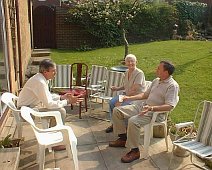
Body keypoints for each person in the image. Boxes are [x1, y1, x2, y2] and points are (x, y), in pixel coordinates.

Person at [109, 61, 179, 163]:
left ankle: (135, 151)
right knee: (117, 111)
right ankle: (123, 138)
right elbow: (144, 95)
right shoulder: (156, 81)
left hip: (154, 113)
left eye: (159, 68)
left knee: (133, 121)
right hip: (142, 107)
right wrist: (128, 97)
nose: (156, 69)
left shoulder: (172, 86)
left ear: (166, 72)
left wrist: (151, 108)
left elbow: (169, 106)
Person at [18, 59, 83, 151]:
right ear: (45, 71)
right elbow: (49, 105)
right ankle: (54, 142)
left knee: (59, 111)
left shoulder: (41, 79)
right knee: (60, 112)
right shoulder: (39, 82)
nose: (55, 73)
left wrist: (61, 97)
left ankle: (53, 138)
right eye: (53, 71)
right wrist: (68, 102)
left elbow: (47, 96)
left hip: (30, 108)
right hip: (26, 112)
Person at [105, 54, 146, 133]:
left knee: (121, 106)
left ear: (136, 62)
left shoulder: (139, 73)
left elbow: (133, 90)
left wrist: (121, 100)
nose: (130, 63)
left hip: (136, 98)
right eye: (128, 61)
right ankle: (114, 124)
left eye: (132, 61)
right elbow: (126, 85)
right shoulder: (127, 72)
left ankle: (126, 129)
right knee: (112, 102)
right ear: (125, 63)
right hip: (126, 95)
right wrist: (117, 88)